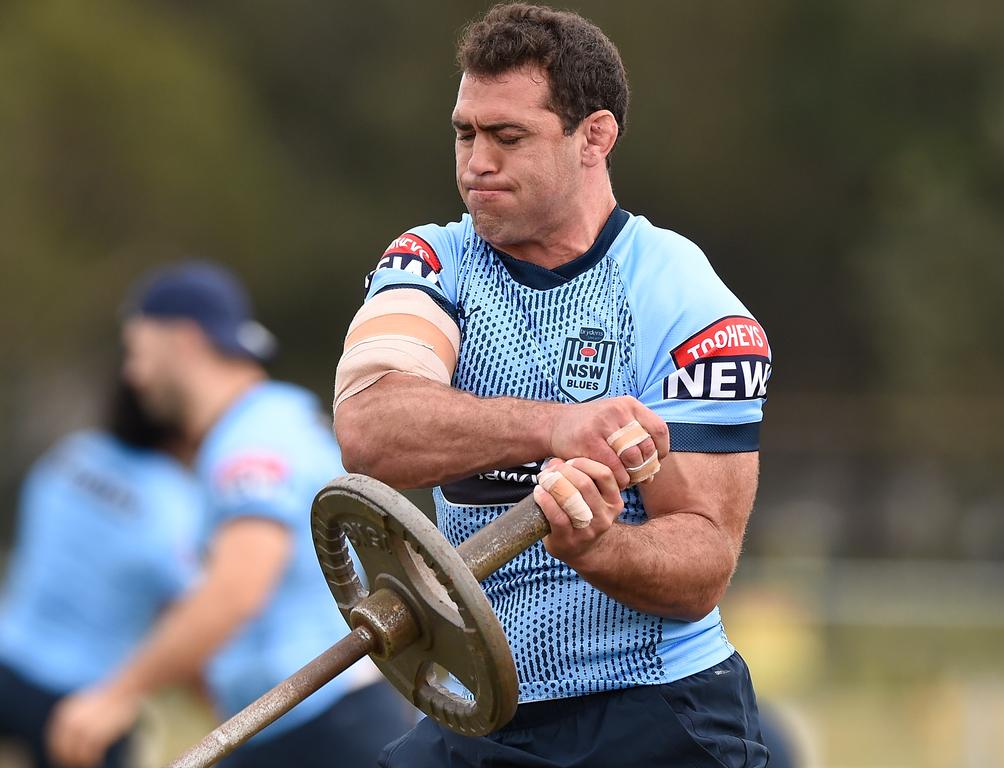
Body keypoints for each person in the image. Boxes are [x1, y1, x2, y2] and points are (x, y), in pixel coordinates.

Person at [333, 4, 773, 767]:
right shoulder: (430, 262)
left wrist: (597, 547)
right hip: (480, 709)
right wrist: (555, 429)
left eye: (508, 138)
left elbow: (702, 566)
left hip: (654, 712)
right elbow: (370, 430)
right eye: (465, 133)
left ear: (593, 137)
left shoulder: (688, 304)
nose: (476, 163)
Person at [46, 262, 415, 768]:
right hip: (300, 720)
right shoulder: (265, 422)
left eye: (137, 350)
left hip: (322, 724)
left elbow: (238, 586)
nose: (132, 375)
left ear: (184, 340)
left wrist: (117, 693)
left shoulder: (252, 438)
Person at [0, 380, 202, 768]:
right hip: (84, 702)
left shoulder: (70, 454)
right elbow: (191, 612)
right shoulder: (174, 501)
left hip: (10, 659)